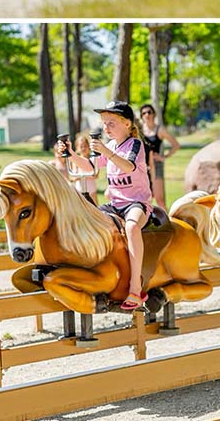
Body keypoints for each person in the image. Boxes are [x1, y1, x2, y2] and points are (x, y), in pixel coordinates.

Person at [89, 100, 150, 311]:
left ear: (127, 124)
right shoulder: (111, 146)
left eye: (111, 123)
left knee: (132, 227)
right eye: (104, 123)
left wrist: (105, 151)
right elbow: (90, 167)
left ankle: (135, 286)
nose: (106, 127)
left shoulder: (135, 144)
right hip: (114, 204)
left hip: (136, 203)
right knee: (89, 220)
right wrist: (69, 154)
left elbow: (129, 166)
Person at [137, 103, 179, 210]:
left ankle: (167, 223)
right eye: (144, 113)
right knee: (145, 199)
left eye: (149, 112)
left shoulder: (160, 130)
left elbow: (176, 145)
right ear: (141, 116)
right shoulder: (139, 131)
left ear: (154, 115)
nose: (147, 115)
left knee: (160, 199)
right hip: (143, 166)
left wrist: (164, 157)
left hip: (156, 165)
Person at [54, 133, 98, 205]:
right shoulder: (75, 161)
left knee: (95, 206)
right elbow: (73, 176)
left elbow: (95, 175)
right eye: (81, 147)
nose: (83, 148)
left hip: (91, 188)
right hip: (79, 188)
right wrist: (83, 176)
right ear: (77, 148)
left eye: (85, 146)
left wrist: (83, 176)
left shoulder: (92, 159)